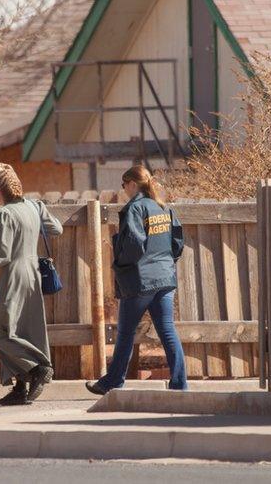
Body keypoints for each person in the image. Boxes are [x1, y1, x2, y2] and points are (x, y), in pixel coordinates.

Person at [86, 165, 187, 395]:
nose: (123, 190)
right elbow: (177, 243)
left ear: (132, 183)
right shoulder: (163, 207)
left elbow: (132, 245)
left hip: (140, 280)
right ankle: (180, 384)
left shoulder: (135, 209)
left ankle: (112, 381)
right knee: (167, 329)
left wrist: (119, 265)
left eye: (124, 185)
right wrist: (165, 264)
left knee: (125, 332)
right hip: (165, 278)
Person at [0, 163, 62, 406]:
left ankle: (37, 367)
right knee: (24, 330)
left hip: (13, 276)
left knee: (0, 330)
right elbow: (57, 228)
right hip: (33, 274)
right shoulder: (34, 206)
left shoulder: (2, 215)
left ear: (0, 189)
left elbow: (1, 256)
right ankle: (20, 388)